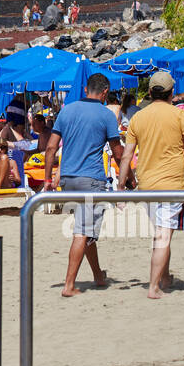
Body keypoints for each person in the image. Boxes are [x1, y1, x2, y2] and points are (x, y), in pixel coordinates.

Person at [117, 72, 184, 299]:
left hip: (147, 185)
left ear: (150, 92)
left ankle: (166, 277)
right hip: (172, 185)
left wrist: (121, 185)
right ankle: (154, 287)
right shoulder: (179, 115)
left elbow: (126, 155)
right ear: (172, 94)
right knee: (163, 236)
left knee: (161, 232)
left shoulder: (138, 118)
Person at [44, 72, 126, 296]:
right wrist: (129, 178)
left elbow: (51, 148)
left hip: (67, 180)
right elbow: (117, 152)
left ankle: (98, 276)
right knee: (83, 232)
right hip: (91, 179)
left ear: (85, 89)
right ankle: (69, 285)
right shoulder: (106, 114)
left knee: (85, 230)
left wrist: (48, 179)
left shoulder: (67, 110)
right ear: (105, 92)